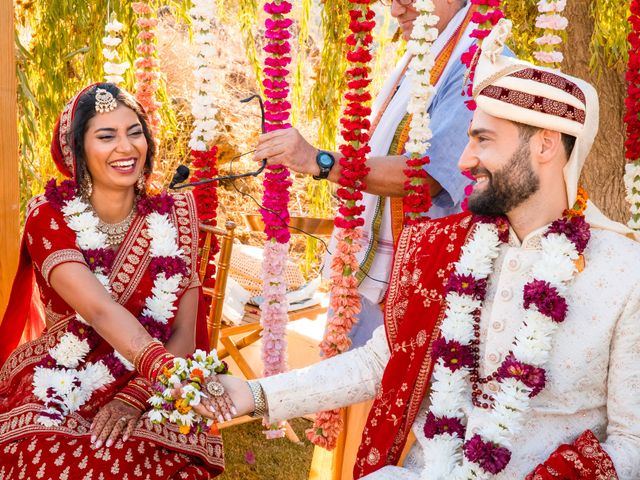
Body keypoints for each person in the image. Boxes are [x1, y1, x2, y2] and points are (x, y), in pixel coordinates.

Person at [205, 20, 640, 479]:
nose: (463, 160)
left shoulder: (624, 274)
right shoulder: (448, 247)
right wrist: (255, 395)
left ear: (546, 146)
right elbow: (379, 362)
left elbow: (633, 443)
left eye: (483, 139)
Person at [0, 83, 229, 479]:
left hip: (155, 376)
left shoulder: (176, 216)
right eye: (106, 136)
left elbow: (184, 332)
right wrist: (166, 374)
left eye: (134, 132)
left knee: (139, 459)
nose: (126, 148)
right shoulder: (49, 217)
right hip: (64, 370)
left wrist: (138, 395)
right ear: (78, 151)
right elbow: (98, 310)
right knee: (52, 458)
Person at [254, 0, 477, 348]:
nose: (397, 10)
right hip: (378, 275)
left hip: (421, 277)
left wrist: (321, 162)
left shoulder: (474, 61)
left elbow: (427, 176)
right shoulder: (424, 56)